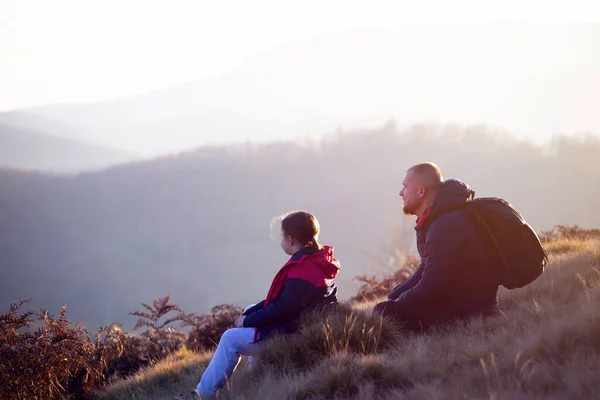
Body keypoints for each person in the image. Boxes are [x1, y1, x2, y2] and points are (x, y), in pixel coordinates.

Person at [195, 211, 341, 397]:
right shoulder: (317, 259)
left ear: (290, 239)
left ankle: (202, 394)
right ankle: (255, 373)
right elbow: (285, 300)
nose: (280, 239)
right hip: (302, 321)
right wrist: (251, 313)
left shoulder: (302, 270)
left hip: (292, 332)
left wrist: (247, 322)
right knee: (249, 311)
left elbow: (284, 309)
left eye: (282, 235)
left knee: (230, 339)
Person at [373, 162, 499, 331]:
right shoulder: (439, 218)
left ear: (421, 191)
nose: (401, 192)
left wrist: (400, 304)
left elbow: (433, 283)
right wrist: (397, 296)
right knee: (393, 300)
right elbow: (427, 266)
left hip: (470, 312)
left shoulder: (444, 224)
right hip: (462, 300)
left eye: (405, 187)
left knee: (384, 312)